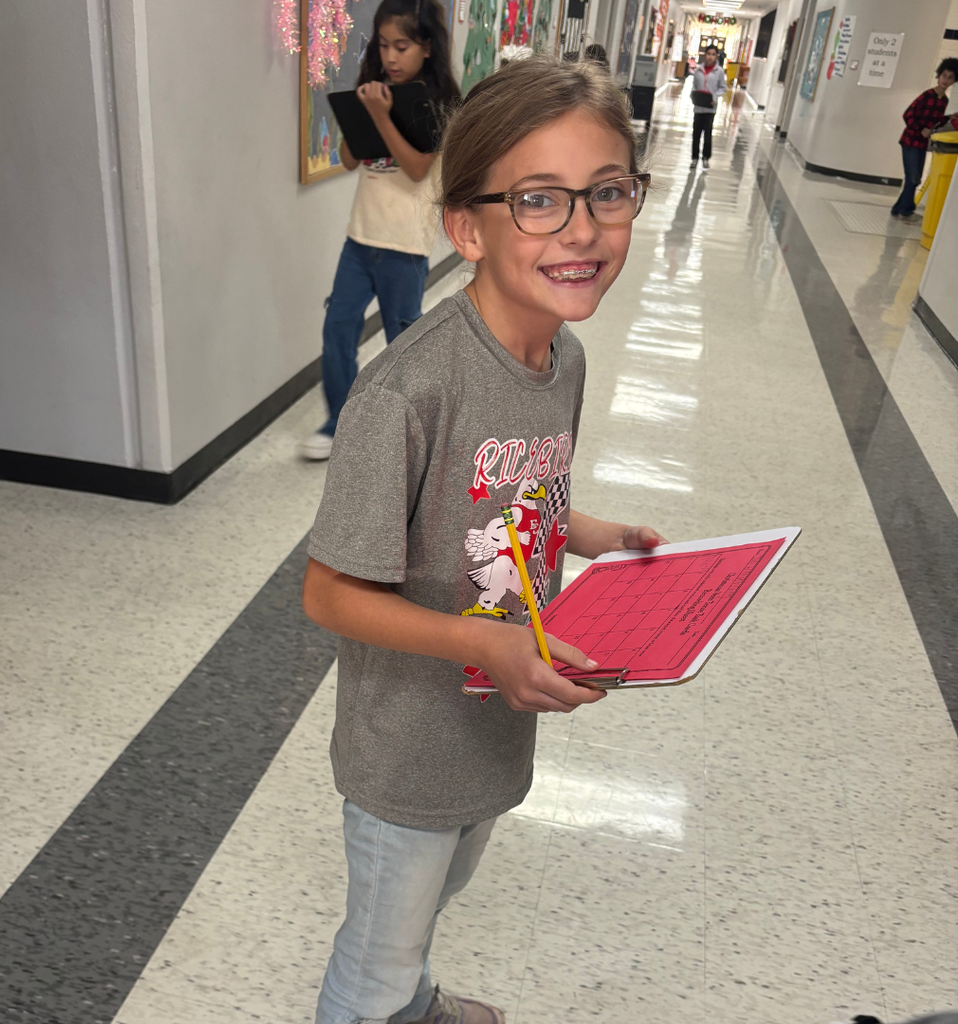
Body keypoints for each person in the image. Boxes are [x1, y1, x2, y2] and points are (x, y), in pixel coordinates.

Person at [302, 55, 666, 1024]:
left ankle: (413, 999)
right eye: (539, 199)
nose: (583, 228)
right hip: (408, 740)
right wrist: (481, 641)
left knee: (433, 895)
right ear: (466, 226)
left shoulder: (562, 356)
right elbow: (328, 594)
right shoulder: (408, 391)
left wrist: (592, 533)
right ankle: (391, 1001)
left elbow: (520, 493)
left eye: (608, 192)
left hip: (493, 718)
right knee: (377, 945)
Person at [300, 0, 460, 461]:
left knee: (401, 346)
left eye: (403, 46)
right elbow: (350, 159)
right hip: (359, 239)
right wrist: (361, 112)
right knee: (337, 329)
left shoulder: (436, 104)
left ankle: (408, 431)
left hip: (404, 248)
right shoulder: (377, 93)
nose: (391, 56)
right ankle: (340, 423)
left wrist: (383, 117)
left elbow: (414, 170)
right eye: (385, 45)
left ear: (426, 47)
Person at [890, 57, 958, 219]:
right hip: (910, 141)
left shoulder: (943, 101)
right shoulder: (927, 96)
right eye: (944, 76)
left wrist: (949, 118)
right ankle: (906, 210)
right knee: (913, 178)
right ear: (938, 76)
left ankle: (899, 208)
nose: (946, 80)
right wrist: (921, 129)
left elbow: (935, 121)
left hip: (921, 144)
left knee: (915, 178)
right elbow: (908, 115)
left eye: (950, 78)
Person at [690, 44, 726, 169]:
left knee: (707, 134)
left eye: (713, 54)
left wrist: (715, 97)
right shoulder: (698, 70)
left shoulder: (719, 72)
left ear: (716, 57)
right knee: (696, 134)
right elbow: (694, 86)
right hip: (698, 107)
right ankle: (694, 158)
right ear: (705, 55)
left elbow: (723, 88)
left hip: (710, 108)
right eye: (708, 54)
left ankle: (706, 158)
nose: (710, 57)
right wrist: (694, 97)